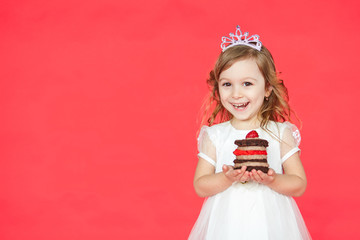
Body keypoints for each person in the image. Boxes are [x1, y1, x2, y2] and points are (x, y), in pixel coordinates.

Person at [188, 26, 311, 240]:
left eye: (247, 83)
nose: (236, 93)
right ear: (218, 89)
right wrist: (226, 178)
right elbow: (200, 185)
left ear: (267, 89)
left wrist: (272, 180)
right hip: (227, 223)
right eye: (227, 84)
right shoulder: (215, 135)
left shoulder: (280, 133)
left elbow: (298, 184)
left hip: (272, 222)